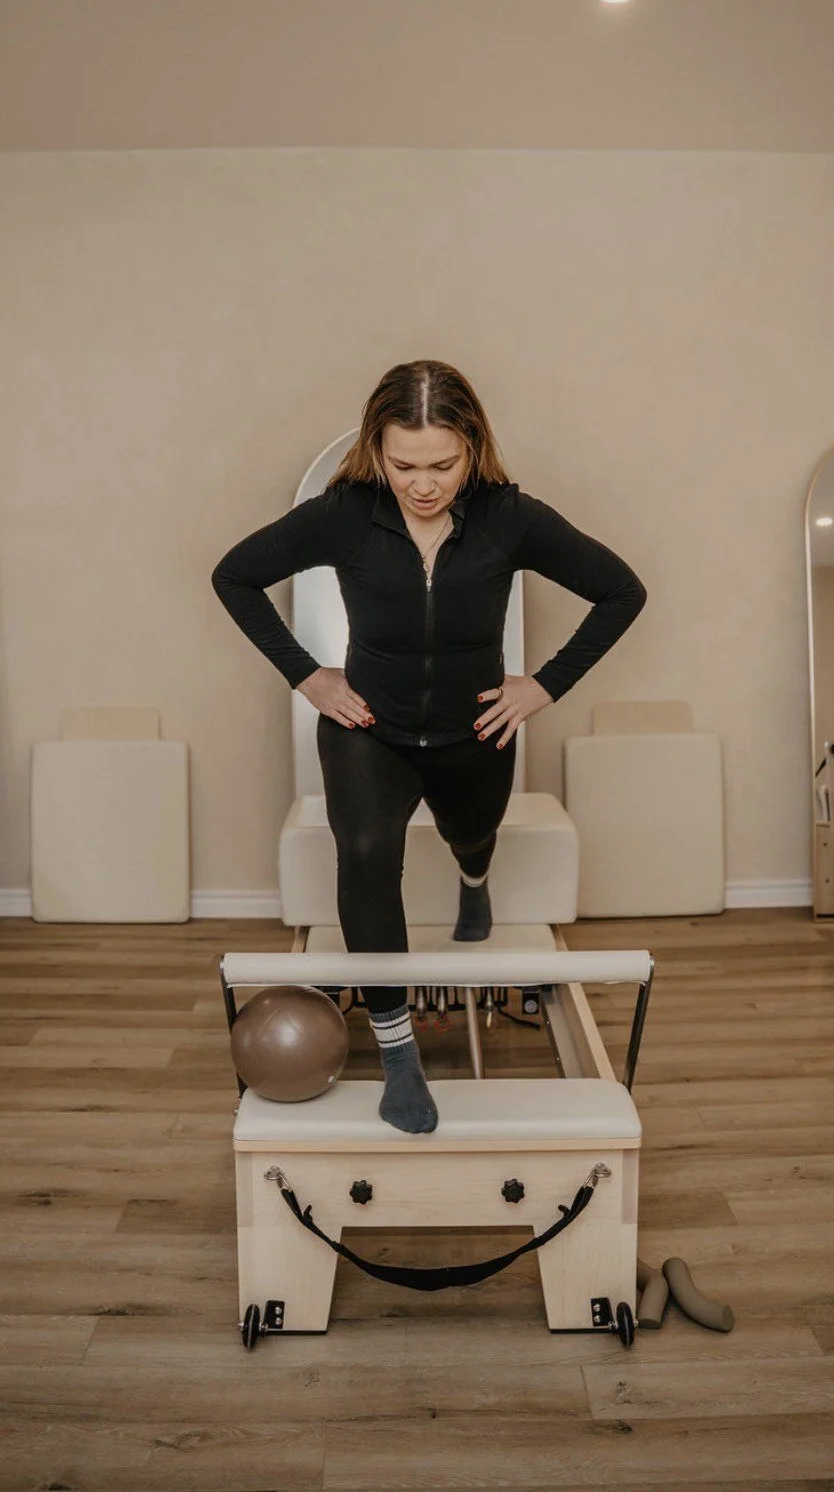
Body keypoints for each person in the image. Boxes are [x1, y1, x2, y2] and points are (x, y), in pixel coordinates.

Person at [212, 360, 647, 1135]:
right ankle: (398, 1052)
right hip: (367, 730)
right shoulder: (343, 513)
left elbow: (622, 590)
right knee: (368, 854)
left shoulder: (510, 517)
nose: (422, 483)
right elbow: (235, 576)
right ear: (377, 449)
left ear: (473, 448)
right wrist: (308, 678)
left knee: (471, 831)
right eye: (402, 463)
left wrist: (541, 687)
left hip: (473, 730)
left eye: (441, 464)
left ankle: (473, 875)